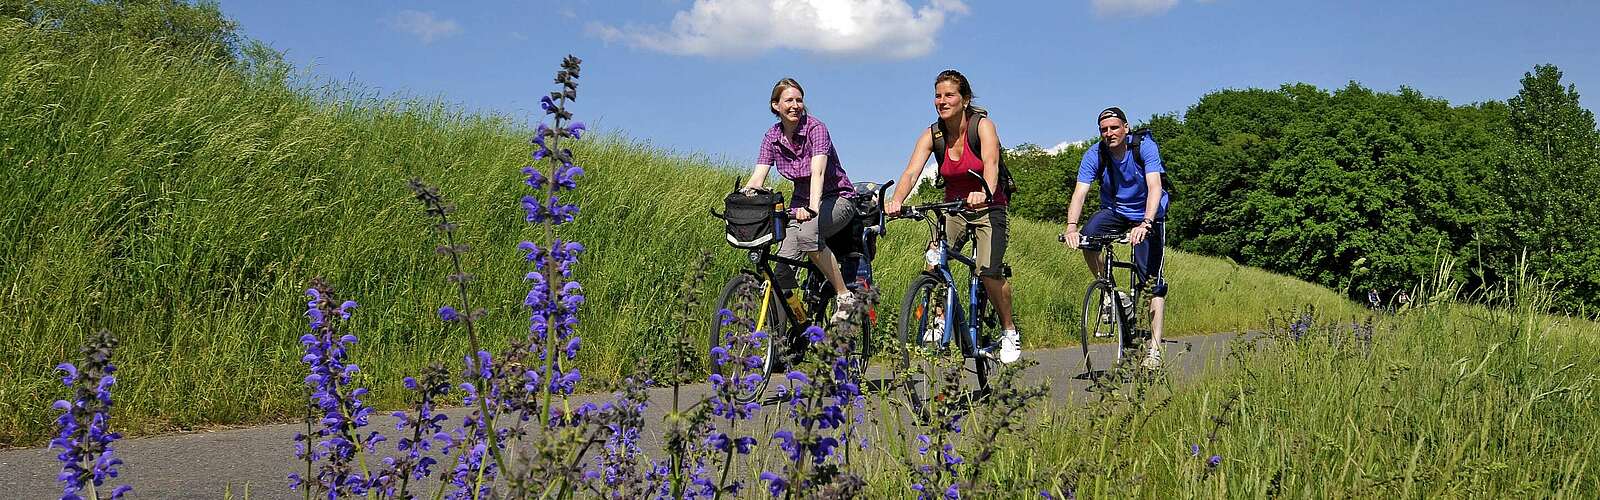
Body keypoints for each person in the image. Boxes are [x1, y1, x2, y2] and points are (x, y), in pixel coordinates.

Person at [884, 69, 1021, 364]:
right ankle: (937, 320)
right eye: (938, 95)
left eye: (949, 95)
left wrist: (984, 191)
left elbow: (991, 163)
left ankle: (1009, 330)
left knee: (987, 271)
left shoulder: (982, 126)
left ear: (965, 99)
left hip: (988, 206)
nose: (942, 101)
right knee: (934, 260)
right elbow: (911, 172)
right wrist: (896, 200)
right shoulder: (933, 134)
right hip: (954, 207)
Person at [1063, 107, 1172, 369]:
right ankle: (1113, 294)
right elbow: (1080, 193)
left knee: (1151, 281)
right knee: (1088, 240)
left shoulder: (1144, 147)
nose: (1109, 133)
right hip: (1116, 211)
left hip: (1149, 212)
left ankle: (1154, 348)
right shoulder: (1095, 154)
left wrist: (1146, 222)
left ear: (1126, 127)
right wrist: (1071, 227)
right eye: (1104, 129)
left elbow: (1155, 186)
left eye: (1114, 128)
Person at [743, 78, 858, 324]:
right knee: (781, 270)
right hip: (800, 205)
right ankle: (790, 336)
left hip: (836, 197)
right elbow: (758, 176)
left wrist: (813, 208)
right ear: (775, 106)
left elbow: (817, 172)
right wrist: (744, 198)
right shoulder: (771, 137)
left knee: (807, 234)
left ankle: (844, 295)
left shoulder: (816, 128)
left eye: (799, 100)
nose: (795, 105)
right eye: (789, 100)